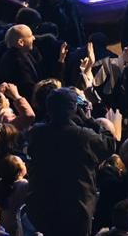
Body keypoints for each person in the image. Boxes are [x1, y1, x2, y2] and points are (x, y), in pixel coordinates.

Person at [26, 87, 117, 236]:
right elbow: (110, 144)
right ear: (73, 109)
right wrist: (89, 120)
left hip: (43, 206)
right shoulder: (83, 136)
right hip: (76, 208)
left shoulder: (37, 132)